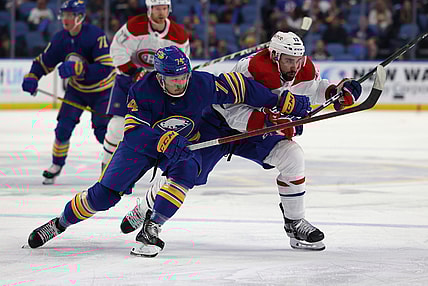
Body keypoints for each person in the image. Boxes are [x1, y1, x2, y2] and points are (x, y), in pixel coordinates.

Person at [26, 46, 312, 258]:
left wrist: (280, 99)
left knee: (187, 170)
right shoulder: (142, 90)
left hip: (180, 143)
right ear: (160, 77)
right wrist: (161, 140)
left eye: (184, 76)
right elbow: (134, 133)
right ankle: (59, 223)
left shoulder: (200, 83)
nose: (180, 82)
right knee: (103, 197)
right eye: (173, 79)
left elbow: (241, 88)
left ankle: (153, 227)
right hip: (142, 147)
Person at [120, 32, 362, 251]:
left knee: (292, 155)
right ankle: (147, 209)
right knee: (183, 173)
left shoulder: (302, 67)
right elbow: (231, 111)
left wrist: (336, 92)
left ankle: (295, 223)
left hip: (255, 130)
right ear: (275, 56)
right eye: (289, 60)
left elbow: (313, 88)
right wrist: (273, 121)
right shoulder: (251, 68)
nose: (295, 66)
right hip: (216, 125)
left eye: (299, 60)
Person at [21, 0, 115, 184]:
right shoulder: (60, 39)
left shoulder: (95, 35)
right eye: (64, 15)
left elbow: (106, 67)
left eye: (70, 15)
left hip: (103, 91)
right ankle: (56, 165)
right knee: (63, 127)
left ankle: (118, 169)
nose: (66, 19)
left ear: (80, 17)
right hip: (77, 91)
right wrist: (33, 76)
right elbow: (44, 61)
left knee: (103, 131)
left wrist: (79, 69)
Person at [102, 0, 190, 170]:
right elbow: (117, 50)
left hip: (159, 88)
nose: (161, 12)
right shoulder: (135, 26)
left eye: (164, 8)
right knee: (117, 127)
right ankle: (106, 167)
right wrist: (134, 72)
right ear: (149, 9)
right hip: (128, 84)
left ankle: (156, 171)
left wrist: (172, 76)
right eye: (157, 8)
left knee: (159, 130)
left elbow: (182, 62)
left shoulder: (178, 35)